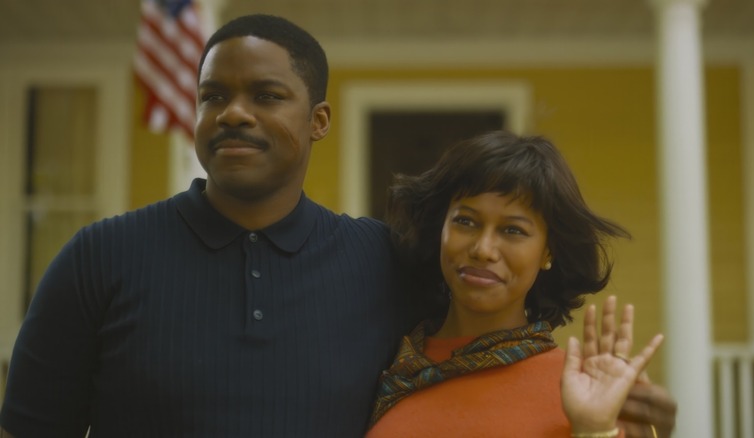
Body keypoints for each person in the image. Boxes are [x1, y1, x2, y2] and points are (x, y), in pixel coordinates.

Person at [0, 14, 675, 438]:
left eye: (266, 96)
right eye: (214, 96)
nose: (234, 113)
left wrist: (625, 424)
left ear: (317, 121)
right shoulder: (98, 258)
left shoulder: (383, 261)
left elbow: (489, 340)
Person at [366, 131, 671, 437]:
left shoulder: (581, 394)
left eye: (513, 230)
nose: (483, 249)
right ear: (440, 227)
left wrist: (595, 430)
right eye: (466, 221)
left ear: (548, 251)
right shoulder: (385, 363)